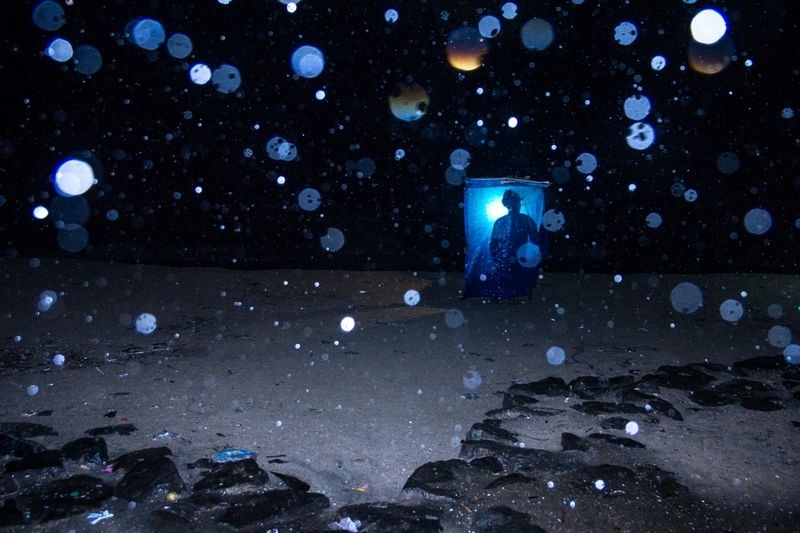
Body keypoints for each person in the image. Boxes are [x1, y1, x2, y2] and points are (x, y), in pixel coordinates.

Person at [489, 189, 546, 299]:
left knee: (515, 276)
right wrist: (496, 258)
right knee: (505, 276)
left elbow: (535, 240)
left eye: (517, 202)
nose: (516, 205)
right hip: (505, 257)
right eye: (513, 202)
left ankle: (512, 295)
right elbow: (494, 243)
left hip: (519, 256)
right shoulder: (502, 221)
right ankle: (505, 295)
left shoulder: (525, 220)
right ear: (506, 204)